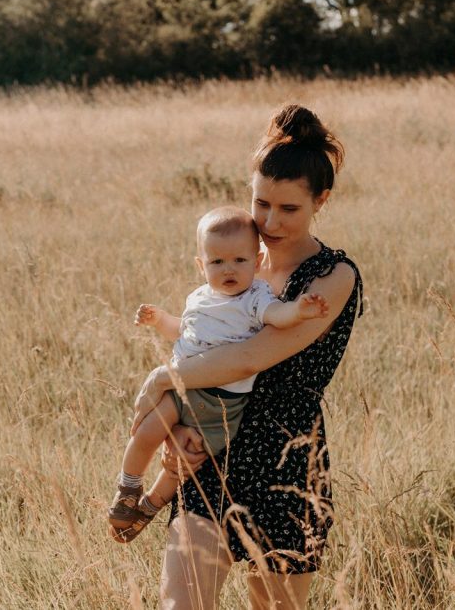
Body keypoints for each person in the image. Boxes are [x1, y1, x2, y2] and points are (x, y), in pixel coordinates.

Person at [130, 104, 363, 609]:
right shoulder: (231, 262)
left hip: (286, 459)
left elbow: (246, 358)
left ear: (321, 200)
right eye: (261, 204)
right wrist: (178, 423)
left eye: (289, 209)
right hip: (211, 445)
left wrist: (164, 378)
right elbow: (198, 340)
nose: (270, 221)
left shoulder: (332, 277)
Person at [108, 206, 330, 543]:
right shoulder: (199, 298)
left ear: (257, 263)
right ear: (201, 265)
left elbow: (277, 316)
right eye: (217, 262)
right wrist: (158, 320)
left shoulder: (256, 298)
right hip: (184, 389)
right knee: (146, 431)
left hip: (221, 404)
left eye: (240, 261)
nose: (229, 269)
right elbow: (184, 332)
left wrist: (298, 310)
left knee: (185, 463)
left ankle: (150, 507)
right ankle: (128, 489)